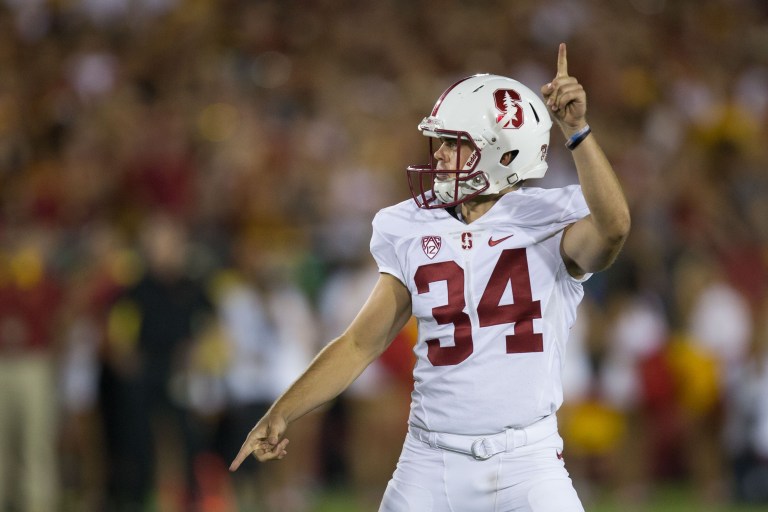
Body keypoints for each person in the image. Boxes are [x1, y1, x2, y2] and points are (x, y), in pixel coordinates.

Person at [230, 43, 631, 511]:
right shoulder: (410, 225)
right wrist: (283, 411)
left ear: (503, 151)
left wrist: (577, 130)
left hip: (528, 460)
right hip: (432, 458)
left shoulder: (549, 220)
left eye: (455, 143)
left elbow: (615, 227)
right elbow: (361, 342)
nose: (439, 154)